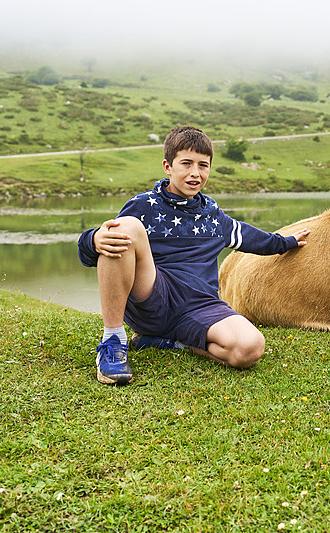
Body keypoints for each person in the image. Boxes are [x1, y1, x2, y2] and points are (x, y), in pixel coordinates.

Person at [78, 125, 310, 385]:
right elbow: (93, 252)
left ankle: (173, 343)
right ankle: (113, 340)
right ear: (168, 166)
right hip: (153, 297)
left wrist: (287, 242)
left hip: (200, 306)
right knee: (124, 228)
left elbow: (253, 238)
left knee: (250, 348)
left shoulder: (213, 214)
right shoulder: (144, 205)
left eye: (203, 165)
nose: (195, 173)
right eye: (186, 163)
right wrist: (94, 239)